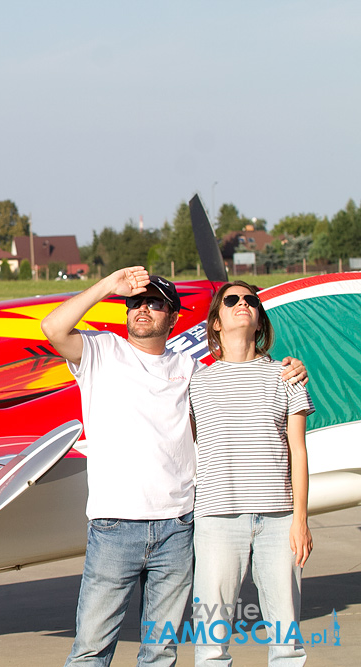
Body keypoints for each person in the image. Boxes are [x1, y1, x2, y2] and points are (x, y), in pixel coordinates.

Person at [40, 267, 305, 667]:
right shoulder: (101, 351)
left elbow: (241, 389)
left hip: (177, 528)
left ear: (173, 317)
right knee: (91, 648)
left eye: (154, 303)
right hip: (115, 526)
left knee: (161, 650)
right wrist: (108, 286)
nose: (142, 309)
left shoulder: (194, 371)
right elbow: (52, 328)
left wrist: (292, 368)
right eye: (135, 303)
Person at [189, 281, 313, 666]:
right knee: (211, 639)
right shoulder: (195, 382)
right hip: (216, 519)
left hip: (279, 521)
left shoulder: (286, 377)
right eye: (232, 300)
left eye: (251, 301)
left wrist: (301, 520)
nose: (243, 304)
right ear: (215, 323)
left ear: (259, 321)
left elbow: (298, 450)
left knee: (286, 638)